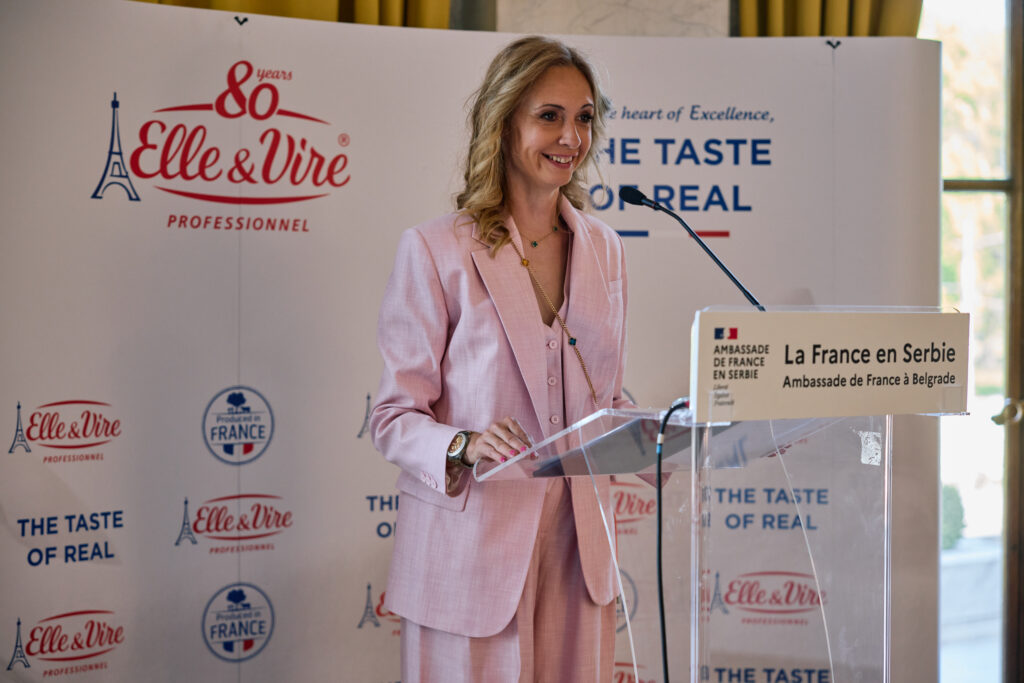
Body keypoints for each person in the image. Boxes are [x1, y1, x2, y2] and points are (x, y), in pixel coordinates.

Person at [370, 35, 631, 682]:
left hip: (579, 552)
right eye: (550, 116)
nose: (571, 136)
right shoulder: (436, 249)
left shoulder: (605, 249)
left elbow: (604, 398)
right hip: (470, 554)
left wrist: (675, 429)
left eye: (584, 117)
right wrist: (464, 444)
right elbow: (393, 418)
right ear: (504, 121)